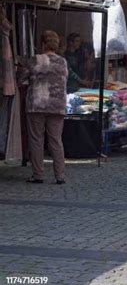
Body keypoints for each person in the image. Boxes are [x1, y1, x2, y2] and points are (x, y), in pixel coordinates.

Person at [21, 30, 68, 184]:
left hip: (37, 104)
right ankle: (60, 176)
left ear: (41, 43)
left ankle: (38, 174)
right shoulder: (62, 61)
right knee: (56, 140)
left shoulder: (35, 60)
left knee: (36, 139)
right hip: (57, 105)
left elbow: (21, 78)